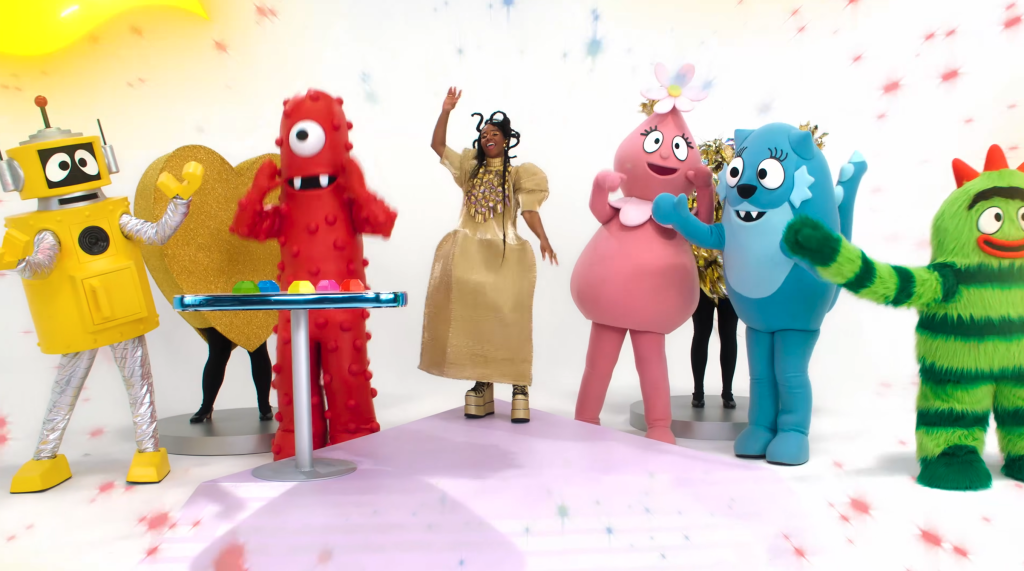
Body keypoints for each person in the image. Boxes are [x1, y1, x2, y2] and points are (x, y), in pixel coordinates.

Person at [419, 87, 557, 423]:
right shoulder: (469, 169)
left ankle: (519, 384)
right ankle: (483, 382)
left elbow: (528, 211)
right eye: (483, 134)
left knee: (510, 319)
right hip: (470, 255)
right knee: (476, 318)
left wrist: (543, 238)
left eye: (494, 134)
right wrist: (446, 111)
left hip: (505, 255)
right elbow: (438, 146)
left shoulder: (518, 174)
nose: (488, 138)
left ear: (506, 140)